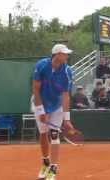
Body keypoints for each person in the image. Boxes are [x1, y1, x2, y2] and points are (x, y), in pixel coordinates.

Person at [32, 44, 77, 180]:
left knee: (54, 134)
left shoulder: (67, 71)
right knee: (43, 133)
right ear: (57, 54)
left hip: (56, 106)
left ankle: (53, 168)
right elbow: (35, 89)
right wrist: (41, 111)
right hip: (40, 103)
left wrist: (67, 119)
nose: (67, 56)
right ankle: (45, 162)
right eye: (65, 53)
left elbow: (65, 95)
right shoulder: (41, 65)